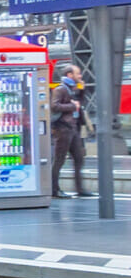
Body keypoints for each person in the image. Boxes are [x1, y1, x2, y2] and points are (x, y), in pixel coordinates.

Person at [50, 64, 95, 199]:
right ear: (70, 75)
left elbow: (79, 103)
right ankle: (54, 189)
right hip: (63, 128)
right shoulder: (60, 89)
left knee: (79, 158)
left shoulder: (73, 88)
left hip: (74, 128)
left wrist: (82, 90)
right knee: (59, 159)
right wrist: (72, 106)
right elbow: (54, 106)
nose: (80, 76)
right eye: (78, 74)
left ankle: (80, 188)